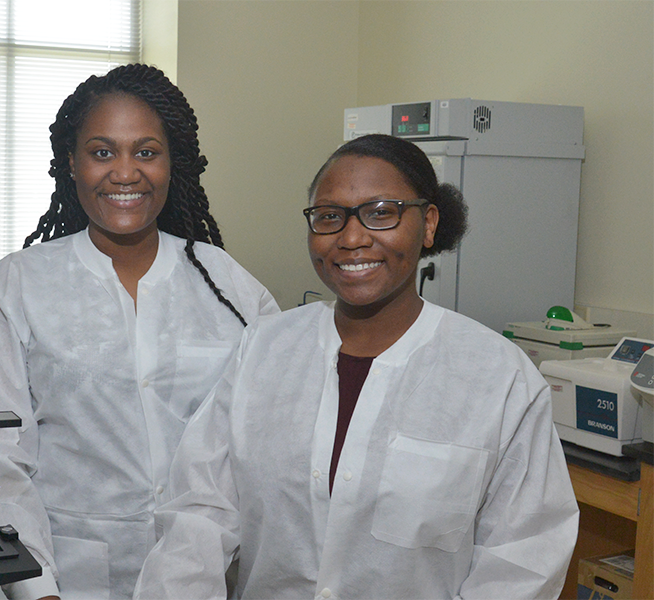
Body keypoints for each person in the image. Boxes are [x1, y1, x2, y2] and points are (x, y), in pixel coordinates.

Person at [134, 134, 579, 599]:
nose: (351, 238)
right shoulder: (263, 349)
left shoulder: (496, 376)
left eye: (381, 212)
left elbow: (522, 561)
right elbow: (199, 517)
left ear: (428, 224)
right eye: (330, 217)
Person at [0, 63, 279, 600]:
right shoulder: (18, 286)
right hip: (65, 578)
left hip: (207, 576)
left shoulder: (231, 289)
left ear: (175, 164)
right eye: (103, 152)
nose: (126, 172)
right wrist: (36, 589)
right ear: (71, 164)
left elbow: (265, 443)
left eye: (146, 151)